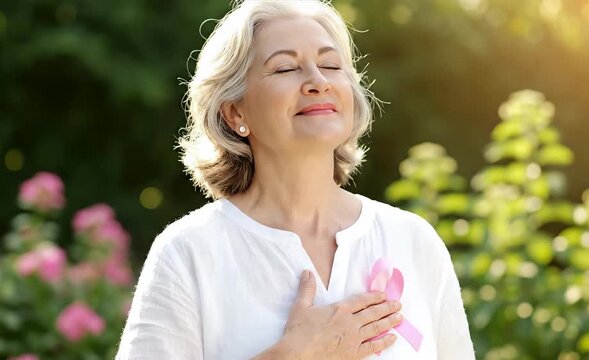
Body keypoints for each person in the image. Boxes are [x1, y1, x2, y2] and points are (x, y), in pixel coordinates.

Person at [115, 0, 475, 359]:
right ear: (235, 110)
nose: (318, 82)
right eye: (286, 68)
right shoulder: (188, 252)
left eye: (331, 65)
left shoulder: (413, 240)